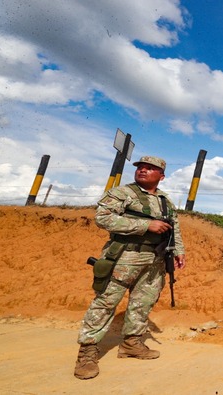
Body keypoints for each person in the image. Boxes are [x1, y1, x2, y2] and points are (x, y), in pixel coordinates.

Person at [74, 156, 186, 380]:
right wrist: (146, 225)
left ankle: (131, 344)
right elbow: (103, 218)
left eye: (150, 169)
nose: (143, 171)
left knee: (143, 302)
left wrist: (179, 250)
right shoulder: (122, 193)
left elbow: (174, 226)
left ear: (161, 176)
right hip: (124, 256)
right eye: (140, 168)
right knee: (106, 302)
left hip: (155, 259)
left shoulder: (165, 200)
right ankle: (87, 352)